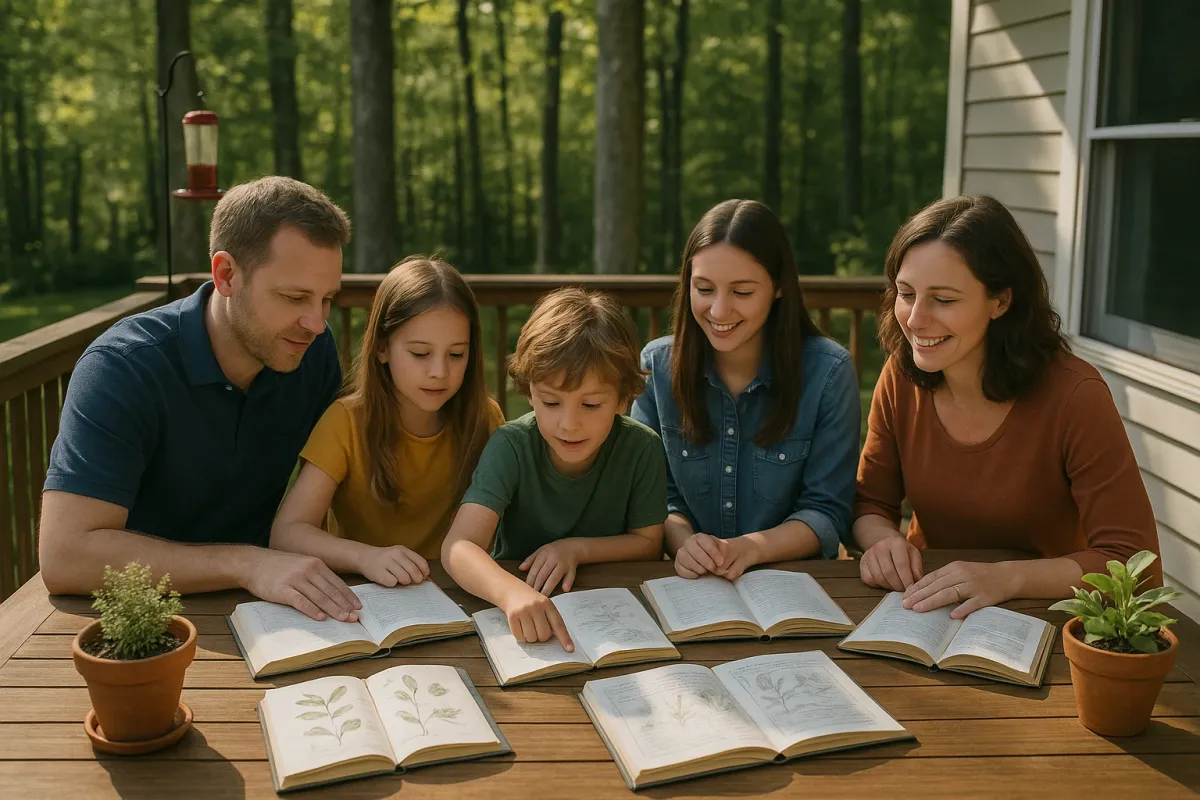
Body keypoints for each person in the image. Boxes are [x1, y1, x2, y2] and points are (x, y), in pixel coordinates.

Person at [39, 175, 364, 623]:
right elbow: (64, 556)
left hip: (271, 611)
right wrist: (247, 563)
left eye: (327, 298)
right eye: (294, 297)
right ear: (226, 274)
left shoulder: (313, 350)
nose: (314, 321)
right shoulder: (122, 368)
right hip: (134, 626)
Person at [854, 194, 1162, 619]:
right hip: (924, 608)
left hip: (1048, 616)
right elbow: (870, 504)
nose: (916, 319)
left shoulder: (1077, 395)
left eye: (944, 299)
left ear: (1000, 301)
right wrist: (882, 541)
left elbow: (1134, 562)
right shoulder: (900, 376)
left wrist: (1009, 577)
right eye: (907, 294)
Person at [631, 199, 860, 580]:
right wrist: (686, 543)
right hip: (692, 584)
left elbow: (827, 511)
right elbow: (653, 499)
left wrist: (749, 549)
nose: (719, 311)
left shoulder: (829, 373)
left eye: (742, 292)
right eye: (704, 288)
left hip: (792, 586)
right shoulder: (656, 366)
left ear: (779, 288)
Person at [441, 288, 668, 650]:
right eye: (551, 402)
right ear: (529, 392)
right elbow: (459, 546)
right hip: (517, 620)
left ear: (624, 398)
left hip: (613, 620)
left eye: (591, 404)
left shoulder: (642, 447)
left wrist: (575, 549)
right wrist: (510, 593)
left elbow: (648, 543)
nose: (569, 424)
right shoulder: (511, 445)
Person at [270, 256, 504, 587]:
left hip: (456, 592)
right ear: (382, 348)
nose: (439, 371)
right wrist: (366, 557)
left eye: (456, 354)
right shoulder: (346, 421)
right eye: (420, 354)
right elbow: (287, 533)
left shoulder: (486, 419)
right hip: (362, 596)